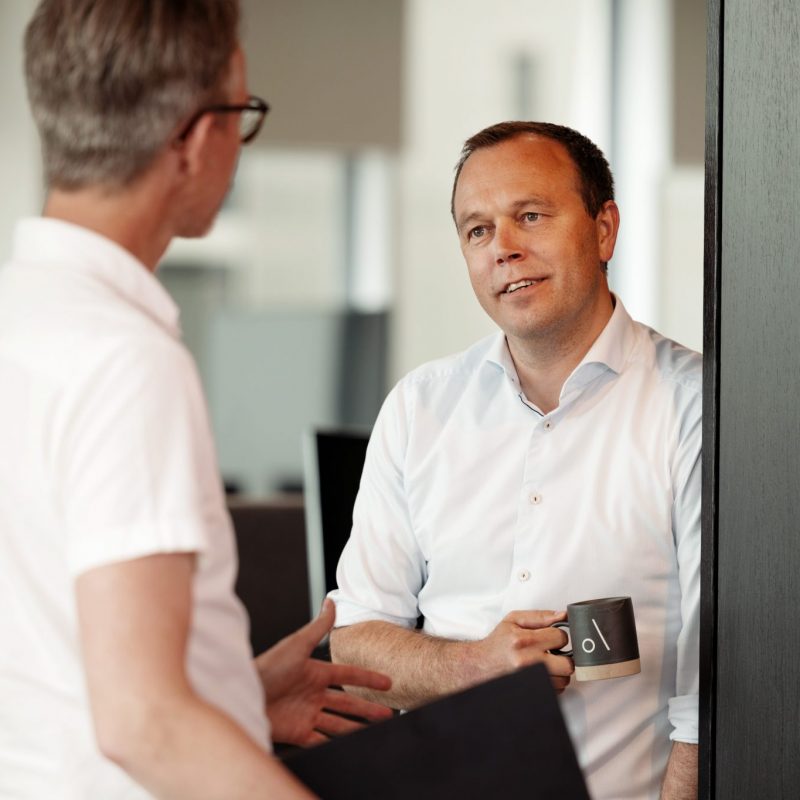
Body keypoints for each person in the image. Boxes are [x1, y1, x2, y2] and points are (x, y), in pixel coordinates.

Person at [0, 2, 393, 798]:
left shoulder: (23, 316)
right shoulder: (124, 360)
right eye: (242, 113)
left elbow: (59, 649)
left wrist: (235, 694)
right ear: (192, 135)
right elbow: (144, 722)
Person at [329, 121, 701, 800]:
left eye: (529, 216)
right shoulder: (420, 407)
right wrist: (472, 665)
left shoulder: (693, 405)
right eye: (477, 230)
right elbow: (352, 648)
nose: (502, 248)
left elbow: (714, 696)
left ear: (603, 229)